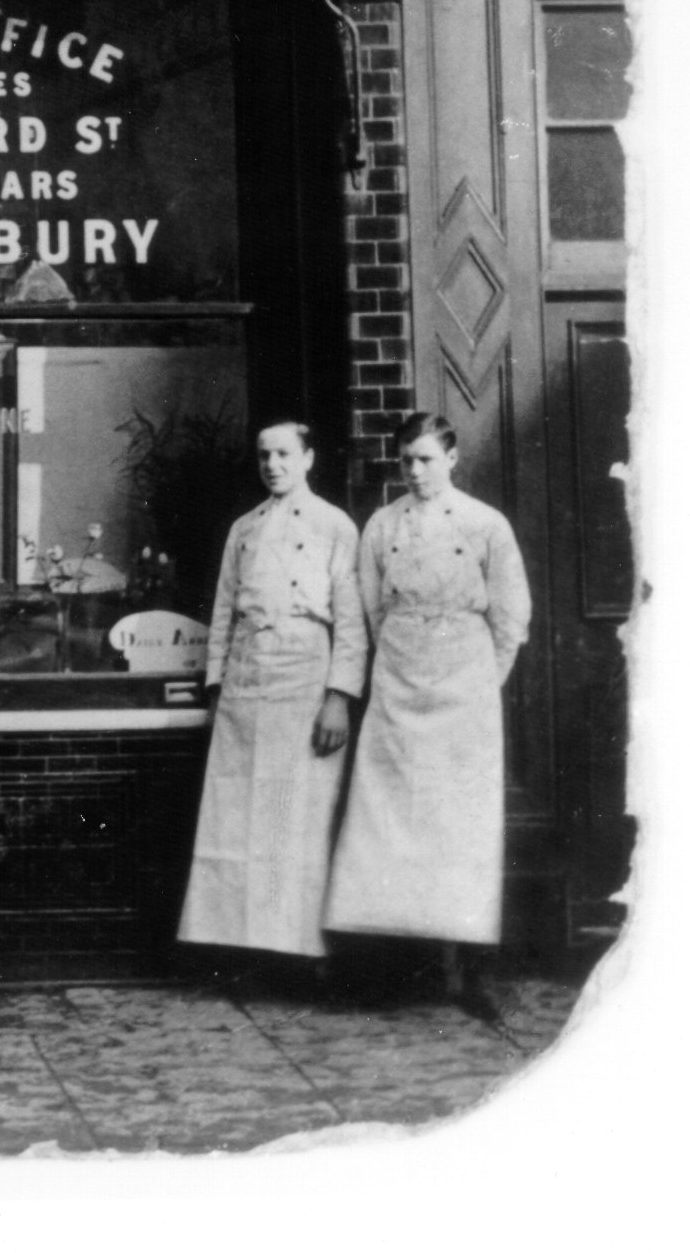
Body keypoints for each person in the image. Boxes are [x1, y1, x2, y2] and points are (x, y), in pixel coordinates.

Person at [324, 412, 532, 1017]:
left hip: (463, 689)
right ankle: (397, 973)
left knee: (461, 827)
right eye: (406, 461)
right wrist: (397, 666)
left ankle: (471, 974)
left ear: (453, 458)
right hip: (397, 685)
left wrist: (478, 682)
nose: (415, 472)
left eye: (426, 460)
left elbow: (511, 616)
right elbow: (369, 610)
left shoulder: (485, 524)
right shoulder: (381, 527)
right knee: (388, 824)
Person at [177, 420, 366, 972]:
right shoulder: (245, 528)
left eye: (284, 454)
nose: (273, 464)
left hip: (305, 676)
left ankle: (301, 955)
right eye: (264, 455)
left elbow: (352, 622)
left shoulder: (336, 526)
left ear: (308, 458)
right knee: (236, 818)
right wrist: (216, 689)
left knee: (294, 816)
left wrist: (339, 697)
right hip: (246, 680)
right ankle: (243, 949)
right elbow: (222, 614)